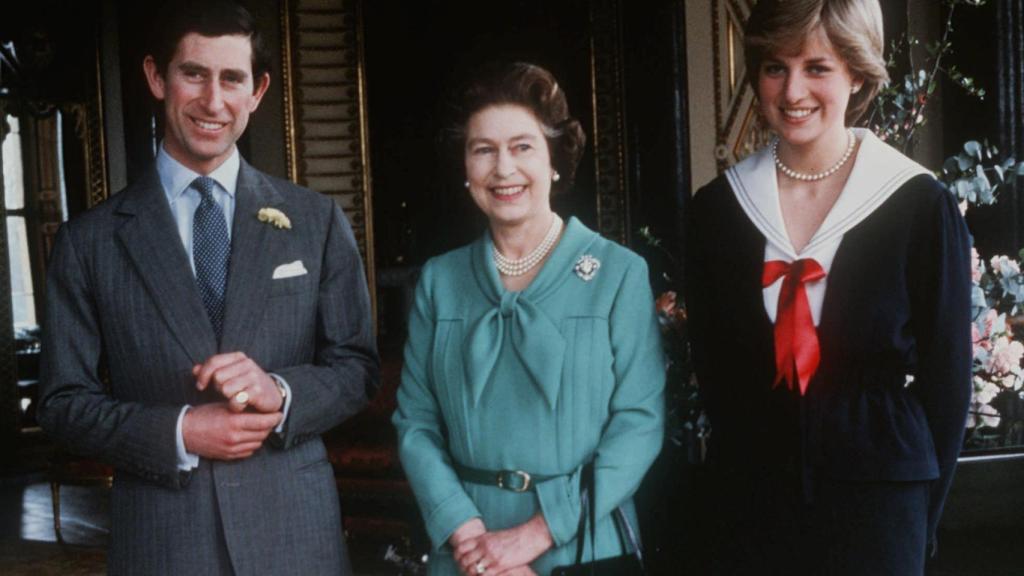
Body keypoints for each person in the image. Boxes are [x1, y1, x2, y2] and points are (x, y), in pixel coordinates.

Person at [36, 1, 378, 573]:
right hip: (162, 541)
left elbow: (356, 368)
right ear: (156, 77)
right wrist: (180, 431)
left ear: (257, 91)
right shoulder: (88, 241)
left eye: (232, 79)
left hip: (296, 536)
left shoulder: (316, 221)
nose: (213, 101)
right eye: (193, 73)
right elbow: (61, 403)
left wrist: (281, 391)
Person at [685, 0, 971, 574]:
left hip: (880, 508)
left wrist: (918, 519)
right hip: (751, 506)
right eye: (775, 67)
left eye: (817, 67)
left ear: (857, 73)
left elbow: (948, 384)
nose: (793, 92)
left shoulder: (919, 205)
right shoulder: (717, 211)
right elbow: (715, 374)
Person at [392, 62, 665, 576]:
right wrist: (473, 543)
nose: (503, 168)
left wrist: (534, 535)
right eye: (483, 150)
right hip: (466, 554)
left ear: (556, 160)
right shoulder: (438, 280)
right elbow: (415, 423)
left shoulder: (618, 274)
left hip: (586, 547)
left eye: (522, 147)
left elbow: (640, 424)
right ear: (465, 168)